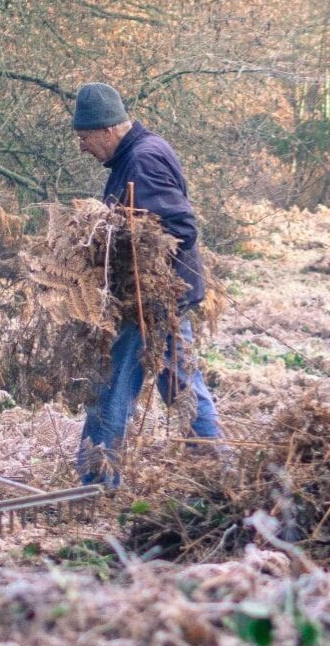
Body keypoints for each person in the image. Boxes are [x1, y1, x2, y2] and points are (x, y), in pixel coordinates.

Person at [72, 82, 225, 486]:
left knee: (112, 385)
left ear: (108, 130)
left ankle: (96, 482)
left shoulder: (143, 160)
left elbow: (179, 228)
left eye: (85, 137)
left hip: (151, 301)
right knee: (182, 384)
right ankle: (216, 471)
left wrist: (135, 260)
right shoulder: (140, 153)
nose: (82, 147)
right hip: (162, 296)